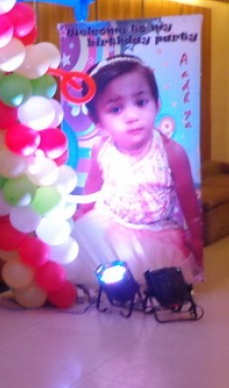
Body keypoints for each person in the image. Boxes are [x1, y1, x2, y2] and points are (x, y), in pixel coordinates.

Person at [67, 55, 204, 285]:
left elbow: (189, 202)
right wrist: (80, 217)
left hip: (159, 235)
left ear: (157, 104)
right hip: (110, 225)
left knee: (156, 283)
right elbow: (92, 187)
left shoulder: (172, 152)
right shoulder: (101, 148)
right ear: (97, 119)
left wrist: (197, 240)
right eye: (116, 109)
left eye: (141, 102)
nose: (132, 116)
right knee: (86, 253)